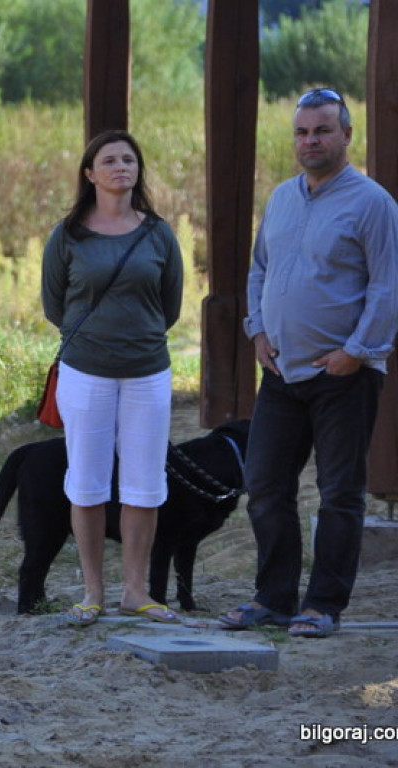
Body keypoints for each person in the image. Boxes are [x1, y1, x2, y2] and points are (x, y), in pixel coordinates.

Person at [220, 88, 398, 638]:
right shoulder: (281, 198)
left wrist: (357, 352)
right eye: (302, 132)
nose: (310, 141)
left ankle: (322, 606)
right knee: (265, 485)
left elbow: (388, 286)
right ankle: (273, 599)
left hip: (343, 376)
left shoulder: (372, 204)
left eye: (322, 130)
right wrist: (257, 330)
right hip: (281, 373)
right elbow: (259, 269)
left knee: (339, 492)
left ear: (346, 135)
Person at [41, 129, 184, 626]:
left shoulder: (159, 234)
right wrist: (99, 338)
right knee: (87, 482)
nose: (121, 166)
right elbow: (55, 305)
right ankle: (92, 592)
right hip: (86, 372)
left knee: (145, 484)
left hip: (147, 372)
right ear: (90, 173)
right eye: (110, 160)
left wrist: (134, 336)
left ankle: (136, 591)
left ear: (138, 171)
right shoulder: (68, 235)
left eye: (129, 159)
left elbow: (169, 307)